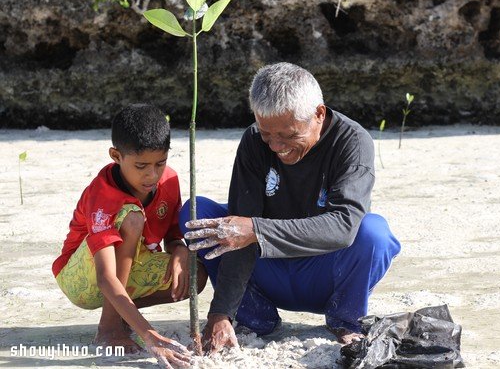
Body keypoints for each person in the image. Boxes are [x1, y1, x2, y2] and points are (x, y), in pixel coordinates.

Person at [180, 62, 401, 352]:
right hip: (268, 270)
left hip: (324, 273)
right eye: (267, 134)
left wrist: (257, 229)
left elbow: (344, 227)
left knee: (374, 232)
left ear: (318, 114)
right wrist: (221, 313)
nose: (276, 146)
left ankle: (345, 319)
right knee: (198, 213)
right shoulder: (253, 142)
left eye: (288, 135)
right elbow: (236, 231)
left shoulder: (353, 142)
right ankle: (254, 315)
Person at [52, 104, 205, 368]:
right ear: (116, 155)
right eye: (141, 165)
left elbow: (171, 234)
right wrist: (149, 335)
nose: (152, 175)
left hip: (128, 269)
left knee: (196, 274)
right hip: (82, 279)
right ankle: (109, 326)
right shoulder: (102, 194)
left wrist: (179, 250)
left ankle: (123, 316)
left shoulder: (168, 181)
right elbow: (105, 276)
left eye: (160, 163)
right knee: (132, 216)